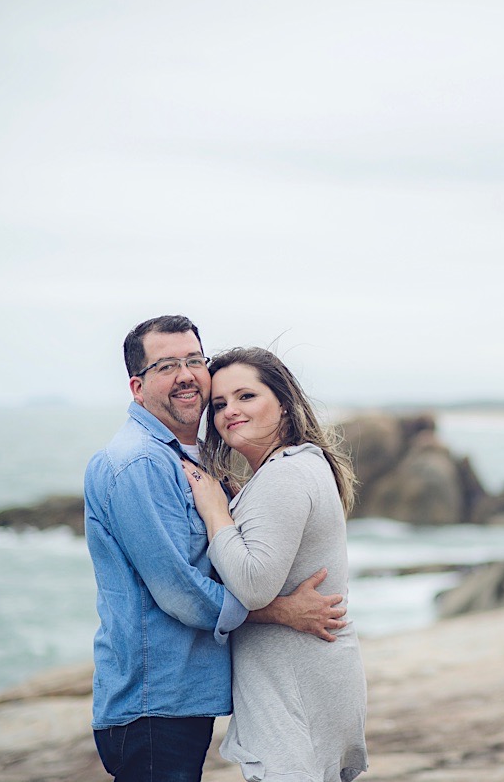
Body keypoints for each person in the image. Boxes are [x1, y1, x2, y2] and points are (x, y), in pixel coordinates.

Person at [84, 315, 349, 782]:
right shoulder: (141, 463)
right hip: (153, 702)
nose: (186, 375)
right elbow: (180, 591)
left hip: (183, 695)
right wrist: (282, 611)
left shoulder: (192, 461)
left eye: (193, 361)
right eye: (166, 366)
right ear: (137, 386)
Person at [181, 347, 368, 782]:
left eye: (246, 396)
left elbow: (252, 585)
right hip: (310, 672)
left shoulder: (284, 474)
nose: (230, 411)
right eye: (220, 404)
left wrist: (215, 512)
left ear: (283, 401)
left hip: (294, 682)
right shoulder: (300, 463)